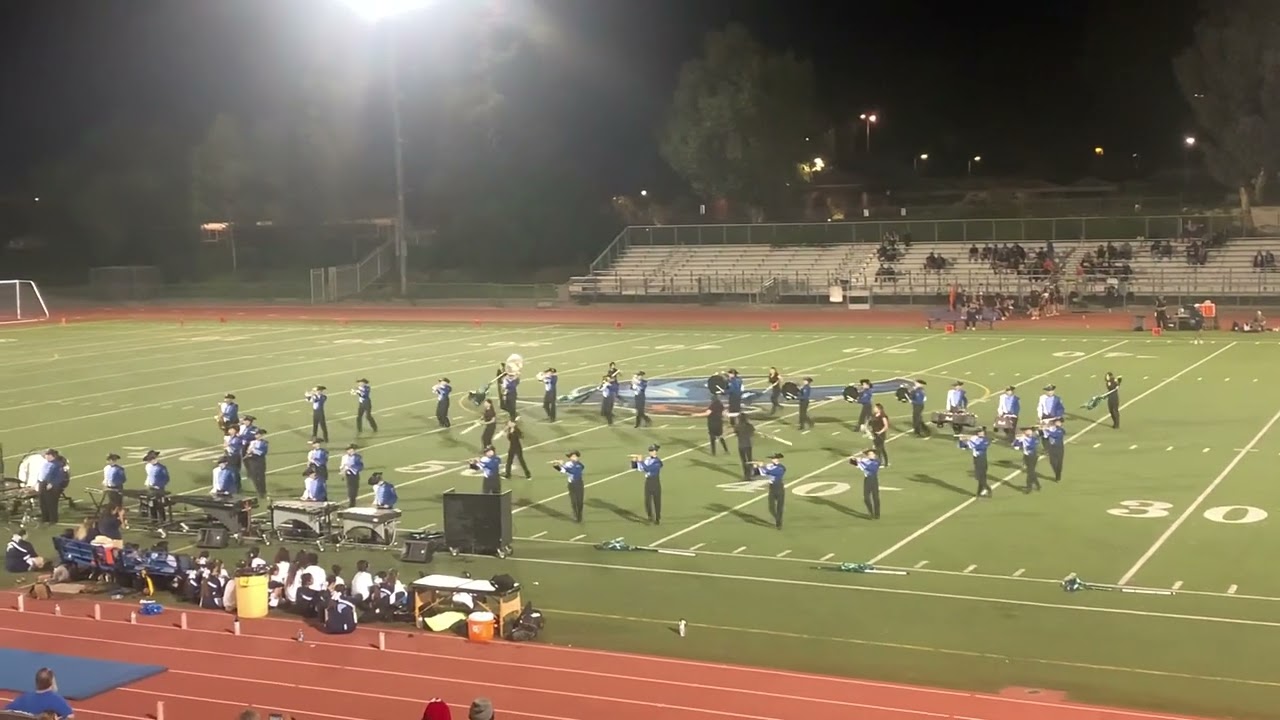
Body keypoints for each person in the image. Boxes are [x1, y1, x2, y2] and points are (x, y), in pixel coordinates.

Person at [4, 668, 74, 719]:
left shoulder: (24, 698)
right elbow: (70, 717)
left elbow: (6, 712)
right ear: (52, 683)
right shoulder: (57, 700)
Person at [631, 444, 663, 525]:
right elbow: (638, 468)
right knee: (647, 501)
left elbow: (647, 469)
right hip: (648, 482)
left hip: (655, 482)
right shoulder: (648, 459)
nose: (650, 452)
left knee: (656, 501)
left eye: (652, 451)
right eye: (650, 451)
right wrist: (634, 461)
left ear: (655, 452)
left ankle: (657, 518)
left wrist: (641, 460)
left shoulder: (658, 462)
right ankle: (650, 517)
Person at [958, 427, 992, 497]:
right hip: (976, 459)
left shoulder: (986, 440)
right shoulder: (975, 438)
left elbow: (979, 446)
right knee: (981, 477)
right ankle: (979, 492)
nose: (980, 433)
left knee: (979, 476)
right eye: (979, 432)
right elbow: (963, 447)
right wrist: (961, 440)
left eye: (981, 432)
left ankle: (988, 489)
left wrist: (968, 440)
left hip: (982, 459)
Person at [755, 453, 786, 529]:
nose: (772, 460)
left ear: (777, 459)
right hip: (772, 488)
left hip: (779, 488)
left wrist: (762, 466)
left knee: (779, 508)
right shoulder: (770, 466)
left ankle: (779, 523)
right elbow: (759, 473)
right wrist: (756, 467)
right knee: (771, 507)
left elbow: (772, 472)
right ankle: (778, 519)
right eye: (772, 459)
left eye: (774, 458)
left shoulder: (781, 468)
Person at [554, 451, 585, 522]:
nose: (573, 458)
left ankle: (579, 514)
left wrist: (563, 465)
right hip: (571, 484)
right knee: (574, 501)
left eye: (574, 456)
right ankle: (576, 515)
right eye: (571, 456)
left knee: (580, 502)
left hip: (579, 484)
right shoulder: (568, 464)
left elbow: (573, 471)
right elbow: (563, 471)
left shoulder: (579, 464)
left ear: (577, 457)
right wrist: (556, 466)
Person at [852, 449, 881, 519]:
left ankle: (877, 514)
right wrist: (853, 459)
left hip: (874, 480)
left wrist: (860, 460)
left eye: (871, 454)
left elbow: (871, 468)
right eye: (869, 454)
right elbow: (853, 463)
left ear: (874, 455)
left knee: (875, 498)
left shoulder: (877, 461)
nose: (870, 455)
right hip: (867, 480)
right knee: (866, 498)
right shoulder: (865, 460)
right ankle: (871, 513)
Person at [1013, 427, 1041, 493]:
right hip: (1026, 456)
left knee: (1030, 472)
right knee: (1031, 471)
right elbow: (1016, 447)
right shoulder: (1023, 439)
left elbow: (1031, 446)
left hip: (1033, 457)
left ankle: (1029, 487)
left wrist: (1023, 439)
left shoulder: (1034, 439)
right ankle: (1037, 484)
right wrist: (1017, 439)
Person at [1043, 417, 1066, 482]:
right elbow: (1045, 436)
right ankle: (1057, 473)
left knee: (1059, 463)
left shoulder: (1061, 430)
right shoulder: (1051, 428)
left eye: (1059, 422)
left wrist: (1046, 430)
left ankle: (1058, 475)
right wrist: (1044, 429)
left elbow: (1054, 435)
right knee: (1052, 462)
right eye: (1056, 422)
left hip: (1059, 448)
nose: (1057, 423)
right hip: (1052, 448)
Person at [734, 415, 755, 481]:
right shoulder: (749, 426)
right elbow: (752, 433)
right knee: (749, 460)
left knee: (744, 461)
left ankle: (746, 475)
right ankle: (750, 474)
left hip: (741, 445)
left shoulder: (737, 426)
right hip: (748, 445)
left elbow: (736, 433)